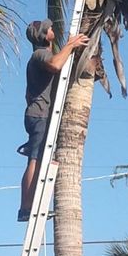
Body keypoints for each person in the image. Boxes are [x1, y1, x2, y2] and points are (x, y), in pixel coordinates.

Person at [18, 18, 90, 221]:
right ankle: (26, 208)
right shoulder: (40, 54)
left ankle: (28, 206)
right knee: (35, 160)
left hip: (37, 113)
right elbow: (56, 65)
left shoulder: (40, 55)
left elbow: (27, 94)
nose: (52, 28)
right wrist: (70, 45)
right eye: (48, 28)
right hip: (39, 115)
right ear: (43, 36)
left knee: (38, 159)